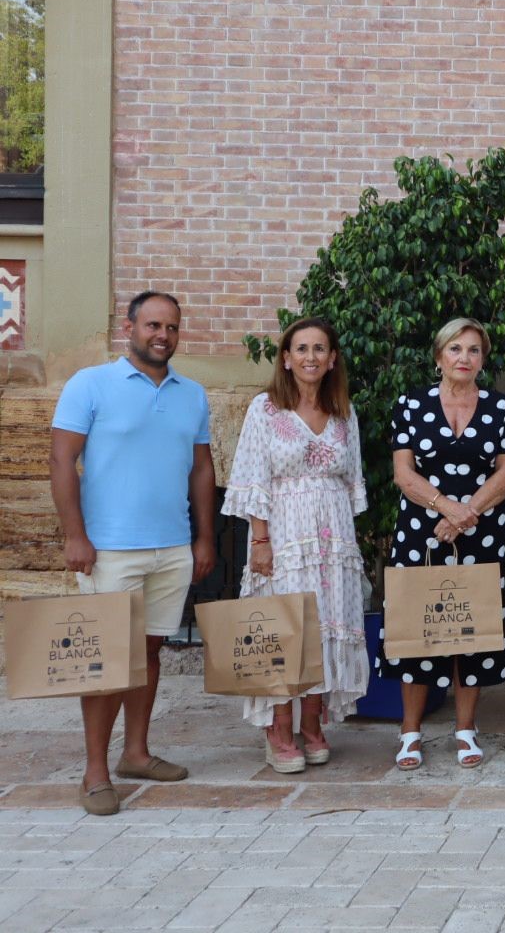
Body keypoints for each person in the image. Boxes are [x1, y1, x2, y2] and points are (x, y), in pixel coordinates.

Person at [48, 291, 216, 816]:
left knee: (148, 653)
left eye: (171, 327)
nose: (162, 335)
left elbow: (202, 469)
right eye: (152, 325)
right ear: (130, 328)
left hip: (172, 546)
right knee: (104, 662)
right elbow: (61, 460)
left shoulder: (193, 394)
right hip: (109, 549)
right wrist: (75, 535)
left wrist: (205, 538)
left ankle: (136, 754)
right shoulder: (90, 384)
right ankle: (95, 771)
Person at [376, 318, 505, 771]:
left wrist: (466, 513)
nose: (465, 357)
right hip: (422, 532)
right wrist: (447, 508)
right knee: (419, 627)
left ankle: (465, 728)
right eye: (456, 348)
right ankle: (410, 732)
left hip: (483, 531)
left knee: (470, 627)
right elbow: (403, 473)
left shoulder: (501, 406)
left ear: (483, 359)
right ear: (439, 355)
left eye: (474, 350)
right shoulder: (411, 404)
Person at [223, 317, 368, 773]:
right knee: (286, 626)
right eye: (301, 348)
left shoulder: (343, 411)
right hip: (285, 532)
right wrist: (260, 540)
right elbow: (252, 476)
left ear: (332, 359)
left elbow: (352, 478)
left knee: (326, 623)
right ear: (286, 358)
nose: (310, 357)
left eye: (319, 348)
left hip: (333, 536)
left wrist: (345, 545)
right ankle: (279, 729)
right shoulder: (265, 409)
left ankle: (312, 724)